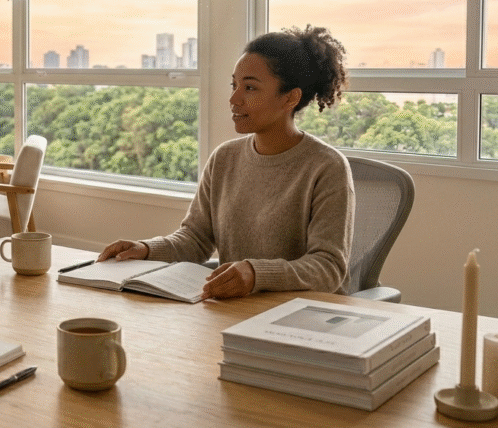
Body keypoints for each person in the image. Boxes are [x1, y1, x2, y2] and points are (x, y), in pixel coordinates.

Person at [98, 25, 355, 300]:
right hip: (236, 309)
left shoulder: (327, 167)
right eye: (234, 85)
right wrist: (145, 249)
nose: (234, 99)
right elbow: (195, 240)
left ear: (291, 97)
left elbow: (328, 269)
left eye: (250, 88)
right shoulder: (224, 158)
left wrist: (255, 274)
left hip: (301, 319)